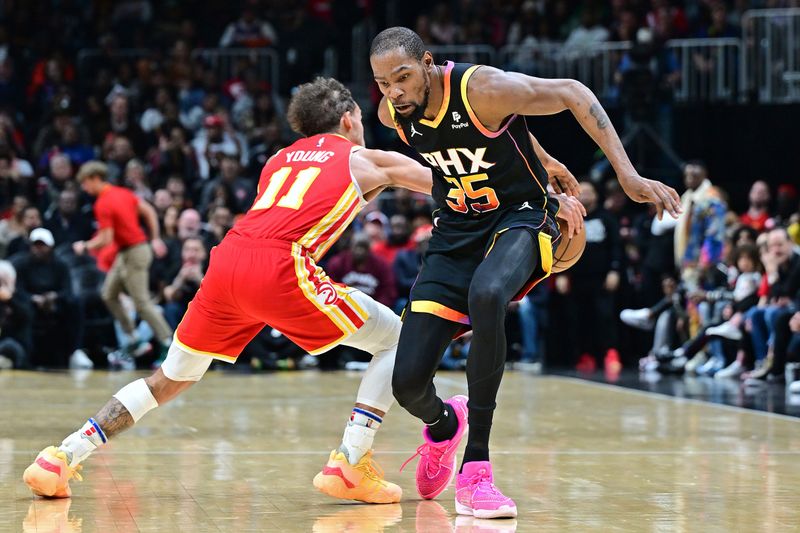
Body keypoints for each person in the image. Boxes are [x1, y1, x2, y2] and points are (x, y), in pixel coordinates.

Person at [23, 77, 433, 505]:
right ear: (348, 119)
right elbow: (443, 182)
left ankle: (62, 455)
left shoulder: (277, 160)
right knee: (396, 339)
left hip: (229, 260)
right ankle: (351, 459)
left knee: (169, 379)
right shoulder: (366, 159)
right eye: (362, 120)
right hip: (279, 266)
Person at [369, 26, 680, 519]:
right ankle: (447, 427)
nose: (394, 92)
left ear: (427, 62)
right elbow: (499, 138)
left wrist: (628, 176)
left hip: (517, 216)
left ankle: (477, 472)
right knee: (407, 383)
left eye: (403, 77)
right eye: (383, 83)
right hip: (454, 232)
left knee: (488, 294)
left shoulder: (482, 89)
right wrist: (546, 158)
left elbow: (573, 93)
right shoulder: (394, 113)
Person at [71, 160, 174, 364]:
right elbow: (149, 211)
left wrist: (85, 246)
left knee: (141, 302)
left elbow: (105, 239)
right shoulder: (123, 193)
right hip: (126, 252)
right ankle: (135, 340)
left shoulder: (102, 203)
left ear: (94, 179)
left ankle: (167, 342)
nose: (84, 188)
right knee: (108, 294)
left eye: (85, 183)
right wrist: (155, 237)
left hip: (135, 252)